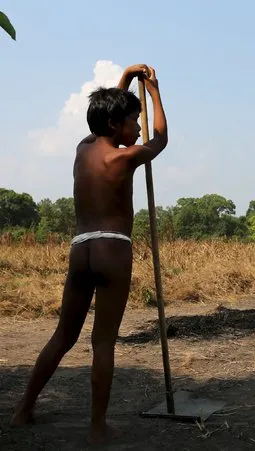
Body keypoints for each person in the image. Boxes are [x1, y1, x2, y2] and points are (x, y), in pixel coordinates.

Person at [10, 63, 168, 445]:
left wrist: (127, 82)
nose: (140, 126)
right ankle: (97, 427)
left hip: (81, 250)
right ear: (116, 125)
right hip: (113, 249)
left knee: (63, 335)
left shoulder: (83, 151)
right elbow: (161, 138)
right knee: (103, 343)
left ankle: (23, 409)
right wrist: (155, 92)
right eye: (134, 120)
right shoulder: (123, 158)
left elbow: (104, 120)